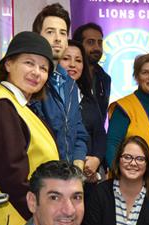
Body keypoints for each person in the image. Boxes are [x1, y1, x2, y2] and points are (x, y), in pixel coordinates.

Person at [0, 31, 59, 225]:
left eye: (44, 68)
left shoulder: (20, 105)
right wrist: (43, 219)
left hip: (30, 220)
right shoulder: (2, 105)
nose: (36, 73)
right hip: (18, 224)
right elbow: (12, 176)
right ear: (8, 64)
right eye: (29, 63)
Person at [30, 3, 88, 169]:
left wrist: (77, 163)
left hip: (67, 177)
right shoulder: (32, 81)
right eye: (50, 32)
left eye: (62, 33)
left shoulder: (71, 84)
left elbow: (79, 132)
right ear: (37, 36)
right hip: (41, 177)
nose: (57, 38)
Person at [106, 53, 149, 192]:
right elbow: (112, 146)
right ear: (136, 76)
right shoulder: (124, 107)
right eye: (145, 72)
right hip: (128, 188)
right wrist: (123, 180)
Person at [59, 39, 106, 184]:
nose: (72, 64)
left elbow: (100, 134)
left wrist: (97, 159)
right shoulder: (48, 96)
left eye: (78, 60)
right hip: (59, 176)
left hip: (88, 178)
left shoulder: (88, 97)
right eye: (66, 59)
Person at [73, 23, 112, 121]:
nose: (97, 48)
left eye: (100, 43)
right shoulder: (70, 75)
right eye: (90, 42)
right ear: (78, 45)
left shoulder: (105, 79)